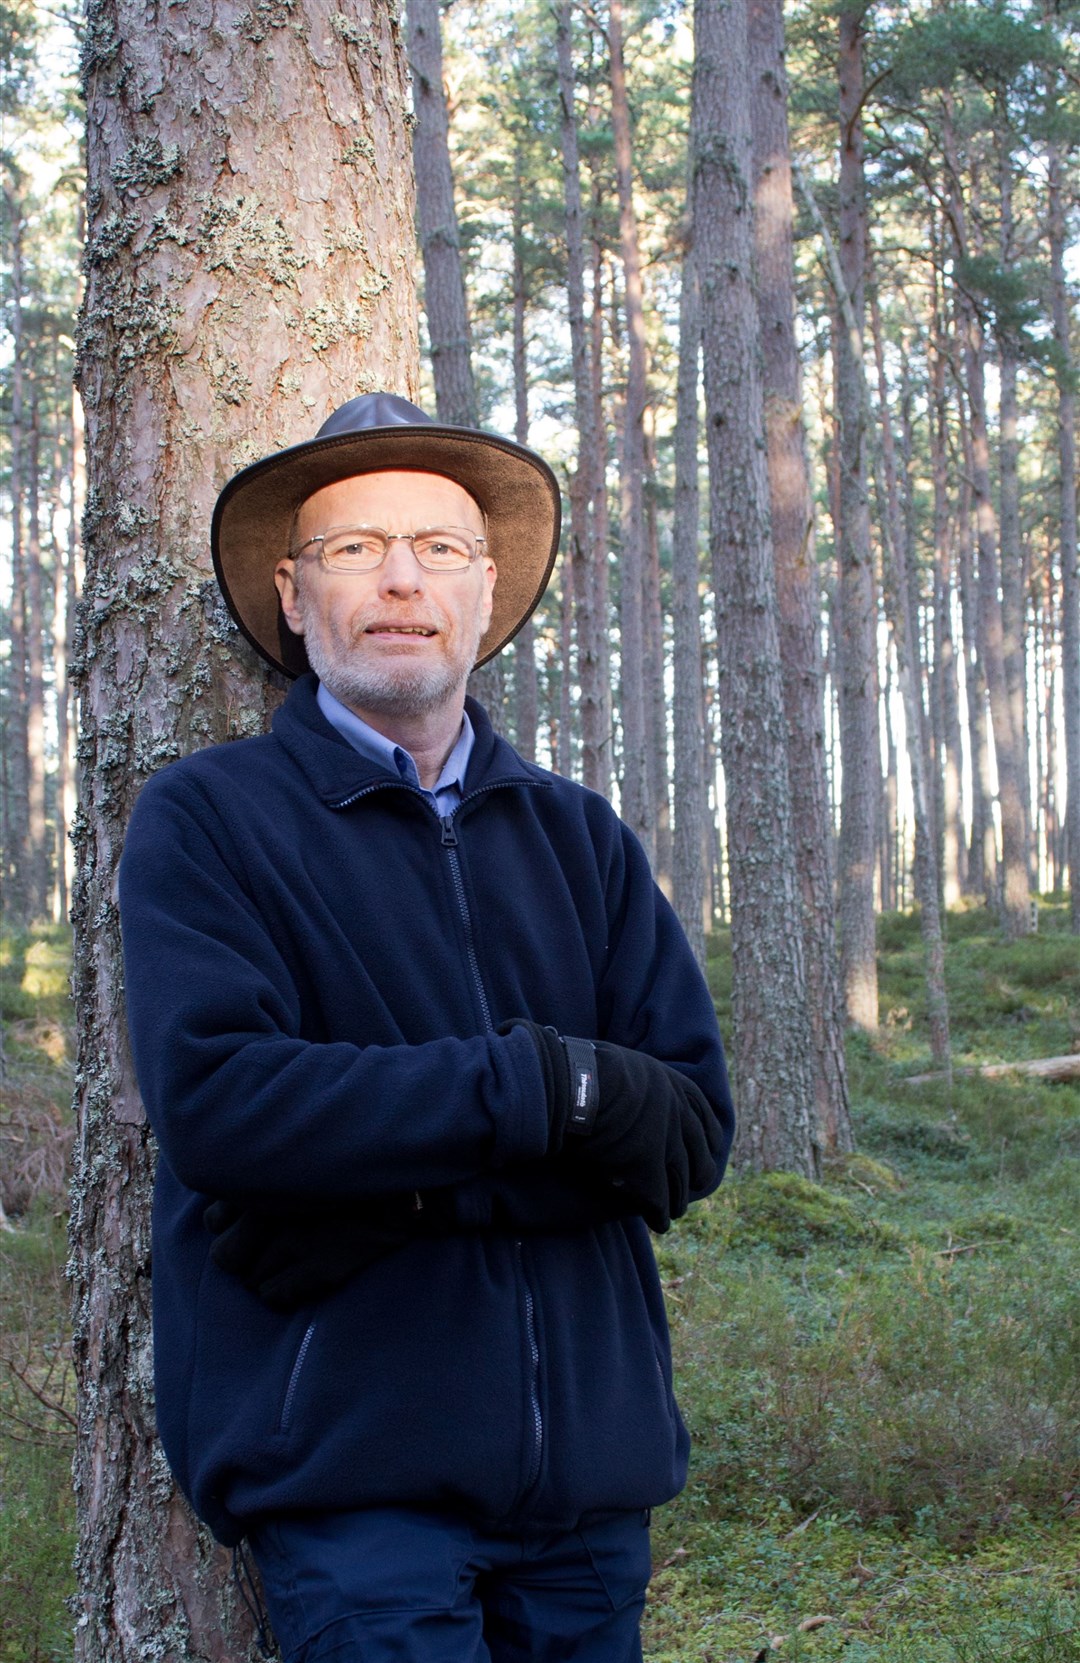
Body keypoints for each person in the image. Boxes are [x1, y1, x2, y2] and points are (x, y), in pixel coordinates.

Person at [118, 392, 735, 1663]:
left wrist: (383, 1193)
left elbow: (688, 1132)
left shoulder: (580, 838)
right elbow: (228, 1107)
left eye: (438, 548)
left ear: (484, 588)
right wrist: (551, 1091)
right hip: (355, 1491)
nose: (401, 579)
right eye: (356, 549)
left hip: (590, 1498)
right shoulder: (208, 819)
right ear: (296, 596)